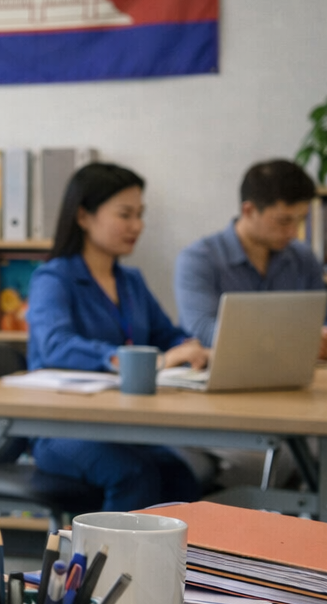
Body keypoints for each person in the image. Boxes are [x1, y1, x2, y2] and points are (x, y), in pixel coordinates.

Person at [27, 163, 210, 511]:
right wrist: (143, 361)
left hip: (122, 425)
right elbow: (56, 346)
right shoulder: (53, 278)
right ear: (83, 216)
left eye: (140, 215)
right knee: (135, 473)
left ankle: (175, 567)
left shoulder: (131, 282)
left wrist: (190, 348)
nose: (137, 226)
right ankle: (112, 567)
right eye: (125, 214)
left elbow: (168, 335)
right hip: (60, 429)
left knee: (180, 475)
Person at [174, 159, 327, 357]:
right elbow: (202, 331)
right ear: (249, 211)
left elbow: (325, 320)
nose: (294, 232)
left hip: (295, 375)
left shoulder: (303, 258)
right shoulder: (198, 259)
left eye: (301, 220)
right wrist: (290, 339)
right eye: (284, 221)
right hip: (227, 376)